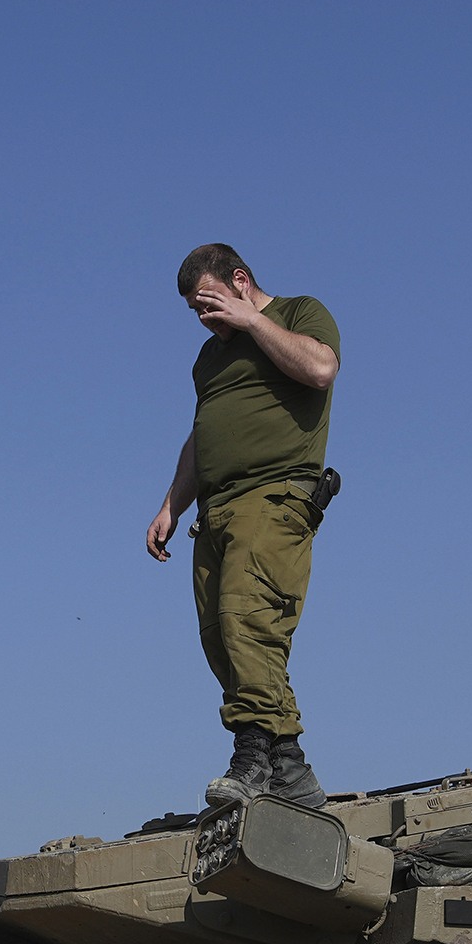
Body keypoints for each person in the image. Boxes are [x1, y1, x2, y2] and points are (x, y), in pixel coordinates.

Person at [145, 243, 340, 810]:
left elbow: (321, 369)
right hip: (215, 508)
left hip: (275, 496)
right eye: (195, 312)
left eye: (210, 304)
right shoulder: (209, 359)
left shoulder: (298, 314)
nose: (205, 320)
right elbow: (203, 432)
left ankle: (252, 758)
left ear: (240, 280)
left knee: (246, 617)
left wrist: (253, 320)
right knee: (220, 636)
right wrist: (171, 505)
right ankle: (289, 767)